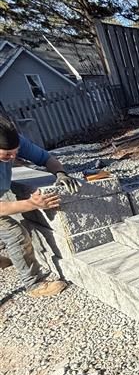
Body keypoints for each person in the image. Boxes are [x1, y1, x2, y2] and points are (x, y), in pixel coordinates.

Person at [0, 115, 81, 297]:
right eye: (7, 155)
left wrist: (60, 173)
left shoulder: (14, 141)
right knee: (15, 234)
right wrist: (31, 204)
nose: (14, 157)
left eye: (16, 151)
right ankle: (34, 284)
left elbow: (45, 158)